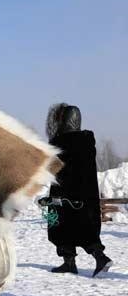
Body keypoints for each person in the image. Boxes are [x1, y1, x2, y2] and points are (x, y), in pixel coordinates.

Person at [43, 103, 113, 277]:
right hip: (86, 194)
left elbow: (55, 170)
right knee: (85, 228)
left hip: (64, 194)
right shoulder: (87, 143)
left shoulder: (61, 143)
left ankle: (74, 262)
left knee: (60, 228)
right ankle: (95, 258)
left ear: (63, 121)